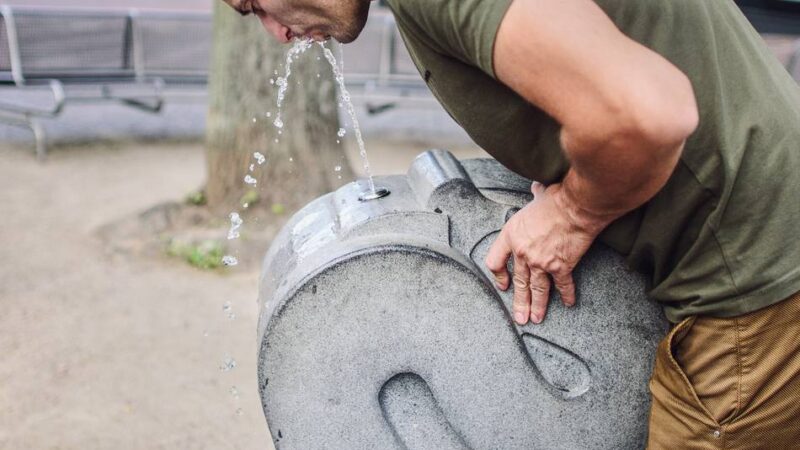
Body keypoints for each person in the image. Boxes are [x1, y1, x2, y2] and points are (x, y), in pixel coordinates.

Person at [223, 0, 800, 447]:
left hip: (756, 281)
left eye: (253, 4)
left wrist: (574, 212)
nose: (276, 31)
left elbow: (647, 113)